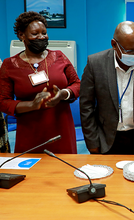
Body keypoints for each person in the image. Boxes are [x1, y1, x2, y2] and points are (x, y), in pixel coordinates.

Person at [80, 21, 134, 155]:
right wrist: (92, 142)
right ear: (114, 45)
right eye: (129, 51)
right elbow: (86, 106)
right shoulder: (95, 64)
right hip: (106, 138)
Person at [0, 12, 80, 153]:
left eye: (44, 33)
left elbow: (77, 84)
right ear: (21, 35)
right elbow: (3, 101)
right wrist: (31, 105)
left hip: (61, 129)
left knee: (65, 171)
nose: (41, 37)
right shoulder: (9, 65)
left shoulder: (59, 56)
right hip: (30, 132)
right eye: (35, 33)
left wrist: (63, 94)